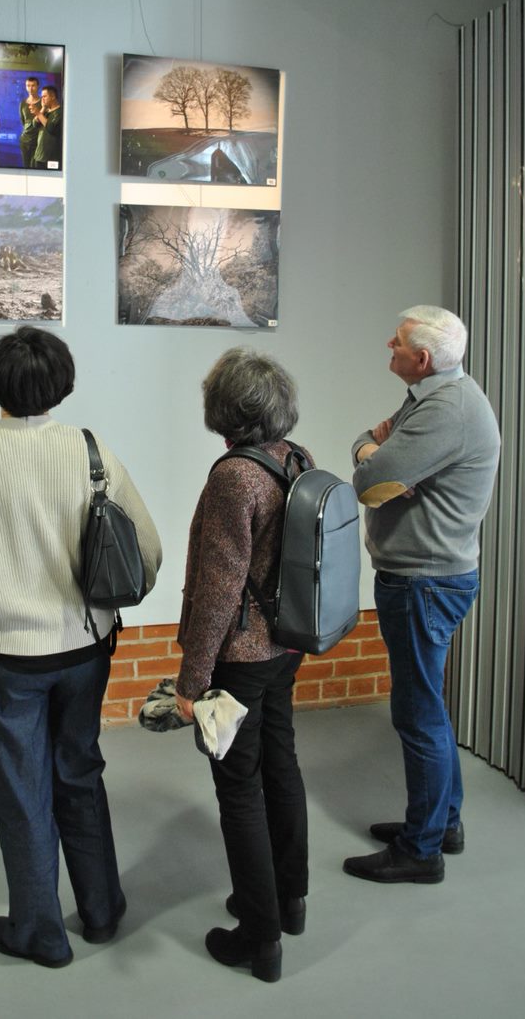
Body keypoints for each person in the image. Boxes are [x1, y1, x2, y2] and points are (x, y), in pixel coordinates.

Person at [0, 327, 162, 967]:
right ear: (62, 384)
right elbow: (148, 554)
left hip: (2, 659)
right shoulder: (92, 451)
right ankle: (101, 911)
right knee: (80, 771)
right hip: (85, 652)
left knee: (22, 792)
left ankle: (40, 932)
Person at [343, 305, 500, 885]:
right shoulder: (430, 396)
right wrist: (376, 453)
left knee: (418, 715)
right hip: (424, 578)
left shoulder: (445, 411)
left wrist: (376, 461)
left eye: (398, 340)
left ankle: (422, 849)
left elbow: (368, 485)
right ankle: (443, 824)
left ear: (423, 357)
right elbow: (371, 448)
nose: (390, 343)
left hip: (423, 582)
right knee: (427, 708)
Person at [175, 348, 310, 985]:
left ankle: (260, 939)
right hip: (286, 647)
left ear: (223, 409)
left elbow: (219, 586)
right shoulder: (295, 458)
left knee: (239, 789)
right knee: (281, 765)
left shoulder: (235, 475)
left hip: (242, 658)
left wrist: (193, 679)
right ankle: (288, 899)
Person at [34, 84, 63, 170]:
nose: (42, 99)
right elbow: (35, 124)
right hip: (39, 156)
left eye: (44, 96)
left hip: (51, 158)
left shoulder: (60, 112)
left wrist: (38, 113)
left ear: (53, 97)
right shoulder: (45, 112)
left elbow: (51, 128)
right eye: (41, 97)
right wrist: (43, 109)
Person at [19, 76, 41, 168]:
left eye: (33, 85)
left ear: (38, 86)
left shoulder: (42, 102)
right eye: (28, 86)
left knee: (36, 167)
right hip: (25, 141)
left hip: (38, 141)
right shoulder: (23, 103)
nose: (30, 88)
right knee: (26, 167)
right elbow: (23, 122)